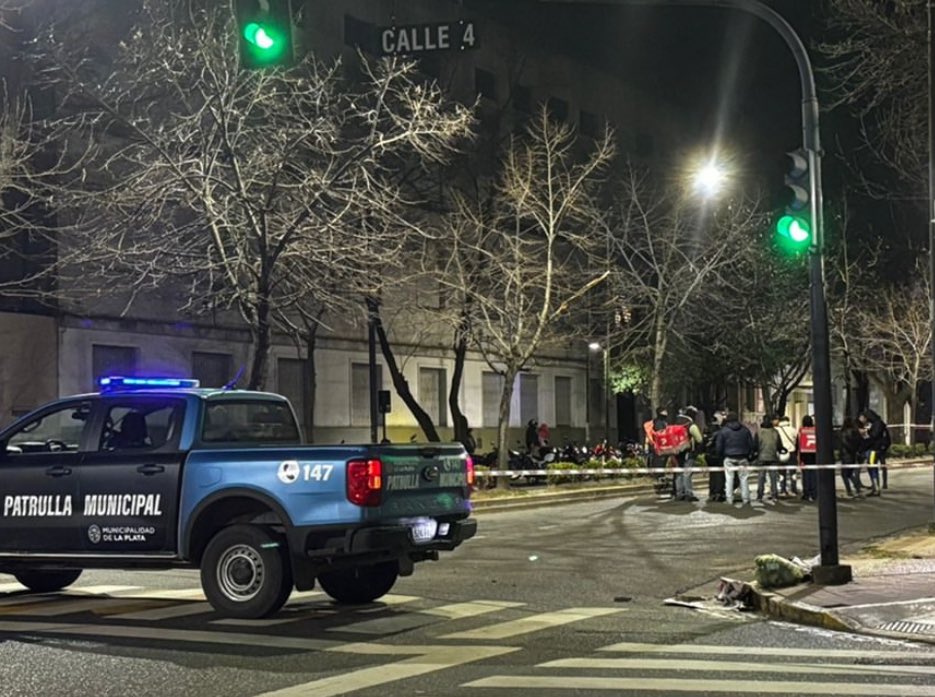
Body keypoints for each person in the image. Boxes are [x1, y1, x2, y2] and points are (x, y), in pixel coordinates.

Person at [715, 411, 754, 506]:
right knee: (744, 478)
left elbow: (719, 446)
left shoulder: (723, 431)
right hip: (743, 457)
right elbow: (751, 444)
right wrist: (749, 455)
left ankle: (729, 499)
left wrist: (719, 456)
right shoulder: (745, 430)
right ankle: (746, 499)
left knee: (729, 479)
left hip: (729, 457)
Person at [675, 406, 704, 502]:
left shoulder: (675, 423)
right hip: (688, 452)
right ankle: (688, 493)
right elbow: (699, 439)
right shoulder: (691, 425)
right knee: (687, 473)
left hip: (677, 452)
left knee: (679, 472)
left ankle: (679, 493)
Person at [859, 409, 890, 495]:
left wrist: (865, 433)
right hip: (878, 448)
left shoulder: (877, 424)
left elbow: (874, 436)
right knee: (873, 466)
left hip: (875, 449)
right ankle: (876, 486)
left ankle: (876, 487)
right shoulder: (878, 423)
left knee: (872, 466)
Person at [754, 415, 782, 503]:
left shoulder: (759, 432)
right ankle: (774, 495)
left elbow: (755, 446)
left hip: (761, 457)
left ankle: (760, 495)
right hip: (773, 457)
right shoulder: (775, 432)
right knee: (773, 477)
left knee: (761, 477)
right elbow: (779, 445)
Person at [839, 416, 864, 498]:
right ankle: (857, 488)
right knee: (849, 473)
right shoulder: (856, 432)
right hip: (853, 455)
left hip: (846, 455)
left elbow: (844, 443)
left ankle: (849, 490)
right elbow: (860, 442)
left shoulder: (844, 433)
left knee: (844, 474)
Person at [705, 411, 726, 502]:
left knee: (712, 474)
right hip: (717, 456)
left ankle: (712, 492)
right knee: (719, 474)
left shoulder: (707, 429)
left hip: (709, 455)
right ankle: (718, 492)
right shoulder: (720, 431)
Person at [775, 414, 798, 497]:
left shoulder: (776, 430)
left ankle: (783, 489)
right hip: (792, 453)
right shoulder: (793, 430)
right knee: (792, 473)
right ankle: (794, 489)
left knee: (781, 473)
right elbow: (797, 442)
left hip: (781, 453)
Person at [798, 415, 818, 502]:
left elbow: (798, 444)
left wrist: (799, 458)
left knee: (806, 476)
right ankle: (814, 493)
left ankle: (806, 493)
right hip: (815, 455)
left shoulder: (801, 431)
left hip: (805, 455)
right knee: (814, 475)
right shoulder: (816, 430)